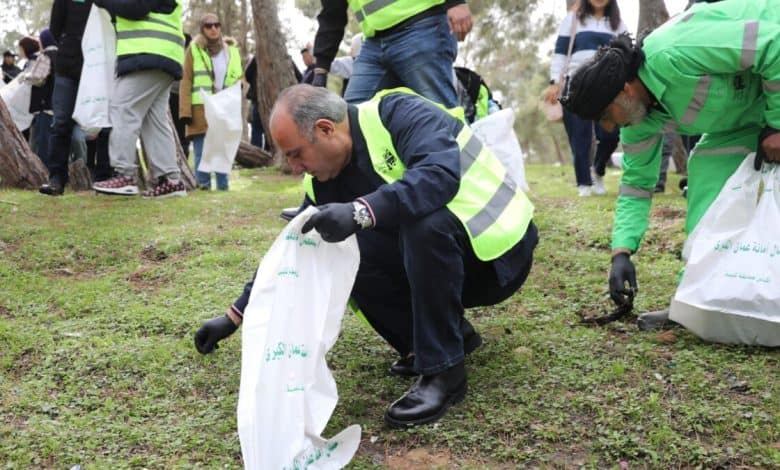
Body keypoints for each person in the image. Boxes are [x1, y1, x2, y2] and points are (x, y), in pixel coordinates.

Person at [194, 84, 538, 427]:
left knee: (422, 221)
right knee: (334, 243)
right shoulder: (322, 183)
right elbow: (291, 251)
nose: (296, 168)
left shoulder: (397, 113)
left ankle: (445, 373)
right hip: (448, 267)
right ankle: (438, 340)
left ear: (325, 129)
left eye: (297, 154)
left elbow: (438, 176)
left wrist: (361, 211)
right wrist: (235, 315)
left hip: (498, 254)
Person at [560, 1, 780, 329]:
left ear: (624, 89)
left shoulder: (675, 51)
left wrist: (777, 125)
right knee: (705, 169)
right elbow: (636, 186)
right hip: (749, 116)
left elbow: (773, 45)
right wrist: (621, 253)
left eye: (606, 115)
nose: (607, 128)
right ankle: (695, 299)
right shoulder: (640, 119)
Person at [91, 0, 187, 198]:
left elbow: (135, 9)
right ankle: (170, 180)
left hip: (149, 53)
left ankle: (124, 175)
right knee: (155, 120)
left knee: (123, 108)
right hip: (162, 54)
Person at [311, 0, 473, 107]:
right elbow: (332, 13)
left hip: (421, 24)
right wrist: (321, 69)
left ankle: (470, 160)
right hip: (374, 42)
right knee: (355, 118)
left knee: (443, 116)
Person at [544, 0, 626, 197]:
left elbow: (625, 55)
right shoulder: (573, 20)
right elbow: (561, 53)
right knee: (579, 137)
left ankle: (598, 169)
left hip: (607, 88)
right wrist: (555, 81)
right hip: (575, 85)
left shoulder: (618, 24)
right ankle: (584, 184)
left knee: (610, 136)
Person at [39, 0, 111, 196]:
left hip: (99, 62)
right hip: (68, 64)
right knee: (61, 122)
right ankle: (56, 178)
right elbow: (55, 28)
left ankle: (104, 177)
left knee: (104, 120)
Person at [179, 13, 242, 191]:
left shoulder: (232, 51)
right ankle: (203, 185)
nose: (213, 28)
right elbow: (186, 80)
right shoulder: (194, 49)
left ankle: (223, 187)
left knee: (222, 148)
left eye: (216, 25)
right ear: (202, 29)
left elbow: (238, 78)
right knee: (201, 148)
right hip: (201, 107)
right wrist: (185, 111)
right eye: (208, 25)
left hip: (225, 106)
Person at [28, 30, 57, 167]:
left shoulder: (46, 56)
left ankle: (43, 170)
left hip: (45, 106)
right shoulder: (62, 55)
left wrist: (26, 78)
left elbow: (39, 78)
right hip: (58, 106)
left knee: (43, 141)